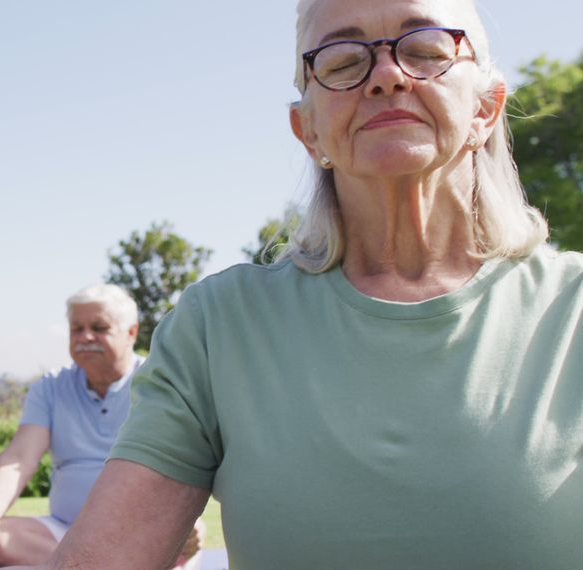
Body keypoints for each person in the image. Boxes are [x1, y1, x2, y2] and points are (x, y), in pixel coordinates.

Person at [29, 0, 583, 568]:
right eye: (343, 62)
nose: (388, 75)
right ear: (308, 129)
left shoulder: (574, 309)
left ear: (487, 108)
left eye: (425, 50)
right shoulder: (219, 327)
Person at [0, 284, 203, 567]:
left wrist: (182, 527)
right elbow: (19, 459)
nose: (86, 337)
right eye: (77, 328)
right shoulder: (50, 387)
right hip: (64, 532)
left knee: (187, 535)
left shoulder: (159, 384)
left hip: (142, 532)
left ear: (131, 333)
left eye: (99, 328)